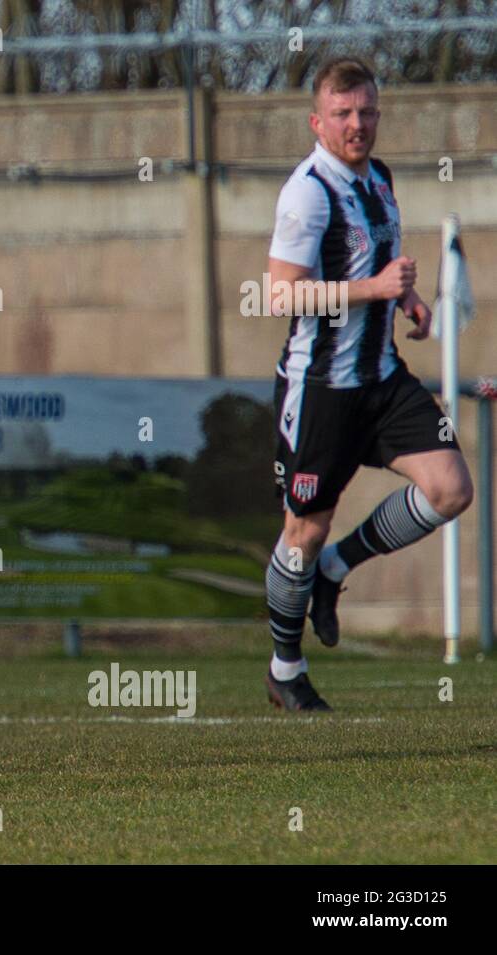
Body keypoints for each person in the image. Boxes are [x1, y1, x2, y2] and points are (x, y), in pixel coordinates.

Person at [263, 57, 473, 710]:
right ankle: (285, 668)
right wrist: (372, 289)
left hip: (382, 380)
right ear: (317, 122)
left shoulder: (378, 178)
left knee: (450, 488)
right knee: (302, 532)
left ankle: (335, 571)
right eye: (344, 114)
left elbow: (375, 263)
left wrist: (402, 300)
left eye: (367, 112)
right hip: (321, 387)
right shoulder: (306, 193)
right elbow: (279, 295)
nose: (358, 124)